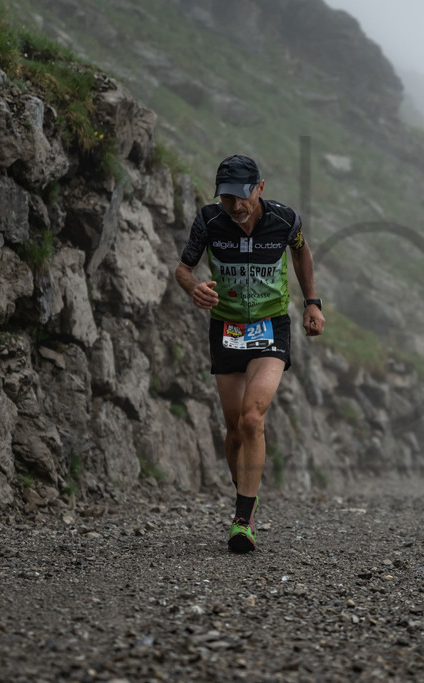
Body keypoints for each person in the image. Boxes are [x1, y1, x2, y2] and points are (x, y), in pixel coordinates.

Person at [175, 154, 325, 552]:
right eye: (227, 199)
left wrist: (313, 303)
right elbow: (183, 268)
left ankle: (243, 518)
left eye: (243, 197)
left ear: (260, 188)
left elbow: (302, 252)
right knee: (233, 429)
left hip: (270, 326)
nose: (236, 206)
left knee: (252, 417)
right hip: (226, 328)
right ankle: (247, 492)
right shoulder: (209, 220)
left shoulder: (284, 219)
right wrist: (193, 287)